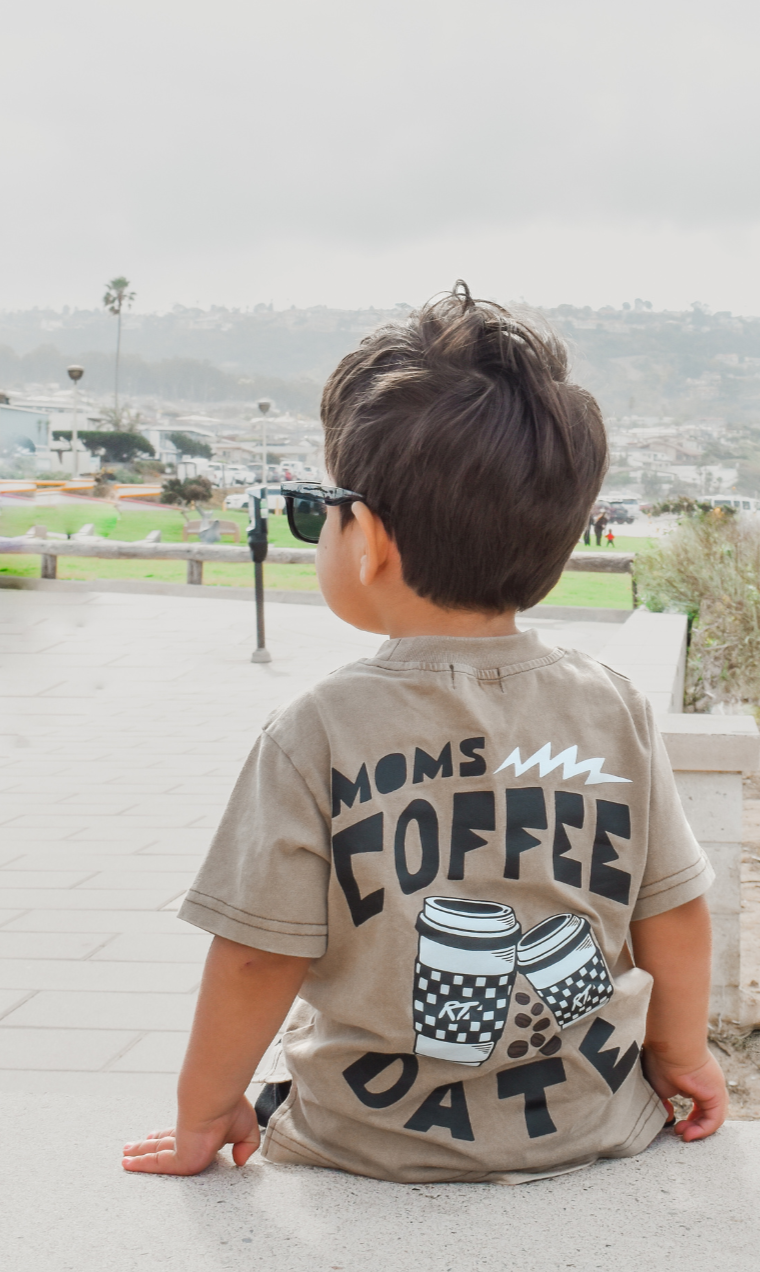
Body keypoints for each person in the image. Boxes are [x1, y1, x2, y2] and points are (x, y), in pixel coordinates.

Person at [122, 282, 726, 1183]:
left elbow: (255, 955)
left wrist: (208, 1108)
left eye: (317, 509)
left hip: (367, 1144)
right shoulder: (613, 707)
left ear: (366, 540)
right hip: (593, 1124)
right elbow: (673, 909)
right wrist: (681, 1056)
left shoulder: (315, 730)